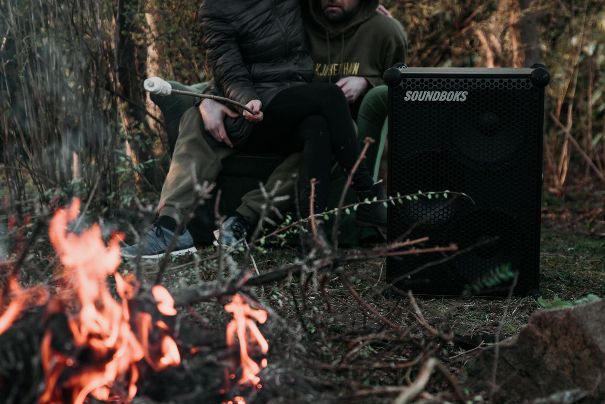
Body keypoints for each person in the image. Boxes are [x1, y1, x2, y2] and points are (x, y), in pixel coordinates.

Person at [122, 0, 388, 258]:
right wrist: (242, 101)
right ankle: (368, 196)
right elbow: (228, 69)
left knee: (320, 127)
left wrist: (364, 11)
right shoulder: (216, 8)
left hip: (293, 102)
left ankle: (310, 238)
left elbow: (333, 8)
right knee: (331, 97)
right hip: (253, 110)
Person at [218, 0, 407, 246]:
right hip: (290, 123)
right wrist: (211, 98)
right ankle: (367, 194)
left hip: (341, 135)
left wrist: (367, 81)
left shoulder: (385, 31)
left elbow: (400, 87)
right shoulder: (296, 23)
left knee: (322, 127)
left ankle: (311, 228)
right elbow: (243, 60)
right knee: (324, 110)